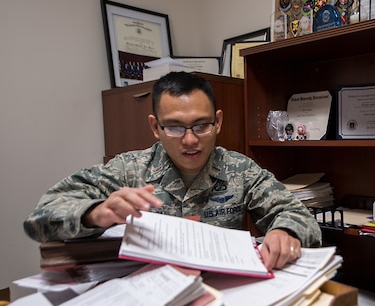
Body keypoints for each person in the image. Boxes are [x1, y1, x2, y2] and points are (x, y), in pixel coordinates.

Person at [24, 71, 322, 271]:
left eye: (201, 125)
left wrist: (285, 231)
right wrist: (94, 214)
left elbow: (298, 215)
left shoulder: (240, 169)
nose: (190, 140)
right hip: (149, 302)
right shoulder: (128, 170)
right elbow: (40, 219)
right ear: (156, 127)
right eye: (176, 127)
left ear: (218, 122)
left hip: (223, 299)